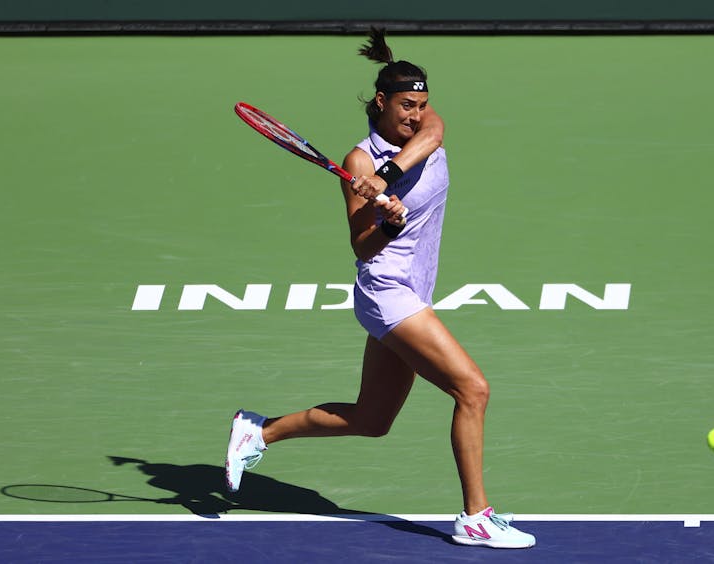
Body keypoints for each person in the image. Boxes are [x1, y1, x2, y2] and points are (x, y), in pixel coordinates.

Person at [226, 28, 535, 549]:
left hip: (416, 289)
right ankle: (475, 517)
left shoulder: (425, 130)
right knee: (472, 389)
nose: (417, 115)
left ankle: (259, 431)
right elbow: (363, 246)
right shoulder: (357, 163)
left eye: (422, 104)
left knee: (372, 419)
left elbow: (432, 136)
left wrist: (387, 180)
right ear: (380, 102)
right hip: (387, 291)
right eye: (406, 106)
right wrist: (386, 222)